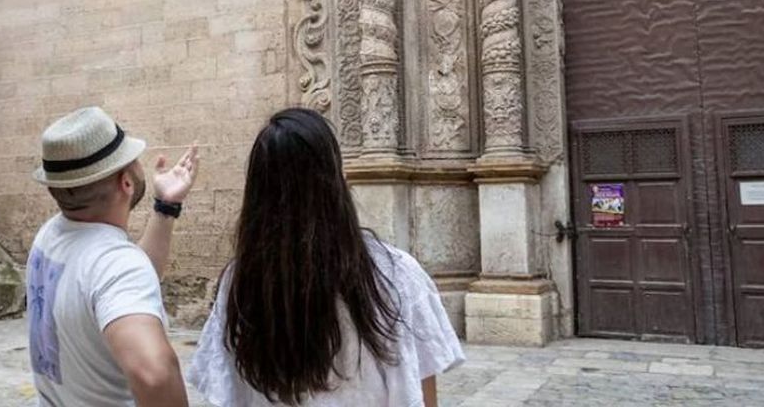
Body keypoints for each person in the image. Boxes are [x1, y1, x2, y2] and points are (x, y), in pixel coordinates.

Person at [190, 109, 464, 406]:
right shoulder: (396, 274)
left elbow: (225, 391)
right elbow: (423, 394)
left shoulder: (240, 282)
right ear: (335, 180)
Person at [26, 106, 200, 407]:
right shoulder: (115, 264)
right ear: (127, 182)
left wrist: (166, 207)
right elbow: (155, 375)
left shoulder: (51, 235)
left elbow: (120, 286)